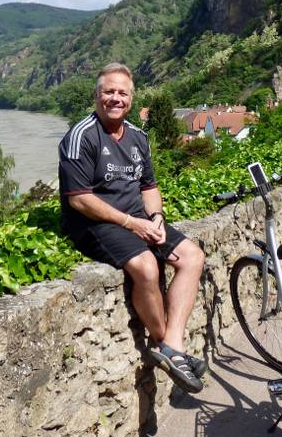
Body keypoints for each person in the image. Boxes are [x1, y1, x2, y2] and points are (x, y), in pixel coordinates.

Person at [58, 63, 207, 393]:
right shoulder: (81, 136)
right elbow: (80, 200)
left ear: (131, 97)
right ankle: (166, 346)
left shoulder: (139, 137)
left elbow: (149, 187)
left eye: (122, 93)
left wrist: (155, 218)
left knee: (192, 257)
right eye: (108, 92)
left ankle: (172, 346)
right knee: (146, 267)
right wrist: (130, 223)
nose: (115, 98)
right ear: (96, 96)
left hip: (139, 219)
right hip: (95, 223)